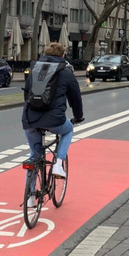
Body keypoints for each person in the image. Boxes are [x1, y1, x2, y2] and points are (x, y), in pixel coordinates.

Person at [22, 42, 84, 201]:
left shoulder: (34, 70)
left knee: (34, 155)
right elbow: (75, 98)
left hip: (30, 119)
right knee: (68, 130)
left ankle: (29, 198)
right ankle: (59, 162)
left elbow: (26, 95)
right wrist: (78, 116)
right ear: (63, 56)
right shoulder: (66, 72)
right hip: (55, 120)